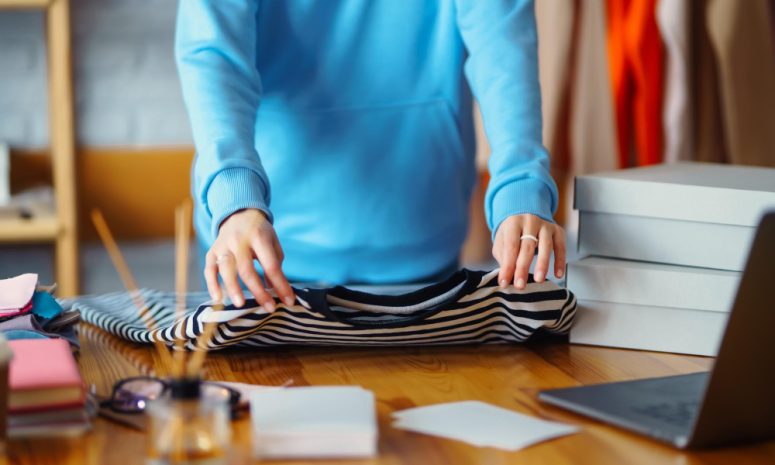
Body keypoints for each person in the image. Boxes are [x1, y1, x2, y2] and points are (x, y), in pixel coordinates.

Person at [176, 0, 566, 312]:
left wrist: (520, 184)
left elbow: (502, 47)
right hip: (259, 253)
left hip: (420, 249)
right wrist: (235, 197)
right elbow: (214, 54)